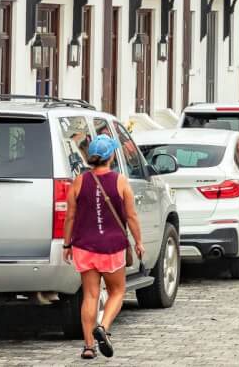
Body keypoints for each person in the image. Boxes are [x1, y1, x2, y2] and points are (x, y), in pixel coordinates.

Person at [61, 134, 145, 360]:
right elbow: (131, 216)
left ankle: (88, 346)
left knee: (90, 295)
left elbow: (70, 216)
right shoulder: (120, 181)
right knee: (117, 291)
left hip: (84, 246)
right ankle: (104, 327)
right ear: (110, 157)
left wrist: (67, 243)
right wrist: (138, 242)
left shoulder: (79, 181)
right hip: (112, 246)